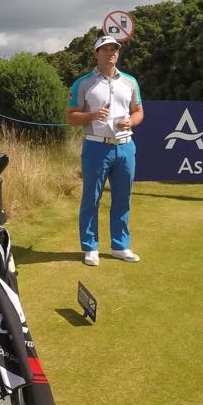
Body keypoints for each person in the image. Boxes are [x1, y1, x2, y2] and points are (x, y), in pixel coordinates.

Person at [66, 35, 145, 266]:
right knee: (91, 198)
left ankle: (120, 246)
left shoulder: (130, 81)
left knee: (123, 198)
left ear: (118, 53)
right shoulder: (83, 83)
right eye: (105, 49)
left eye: (114, 49)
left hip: (125, 146)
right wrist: (91, 115)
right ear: (96, 54)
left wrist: (132, 121)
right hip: (95, 146)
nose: (111, 53)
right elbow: (70, 117)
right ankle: (90, 247)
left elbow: (139, 111)